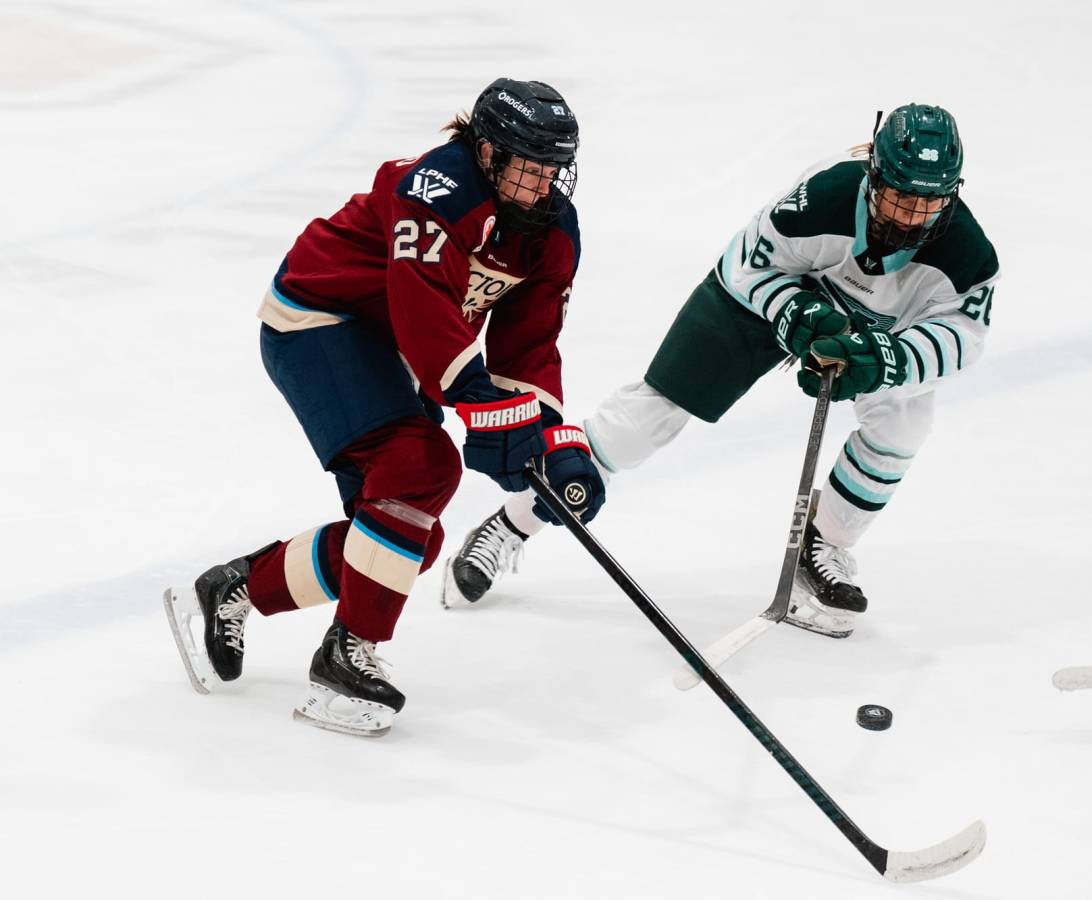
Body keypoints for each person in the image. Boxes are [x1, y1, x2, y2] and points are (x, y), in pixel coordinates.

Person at [444, 103, 998, 639]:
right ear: (874, 177)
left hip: (876, 335)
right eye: (899, 198)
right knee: (644, 421)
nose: (910, 217)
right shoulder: (824, 197)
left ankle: (823, 546)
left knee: (903, 426)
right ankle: (510, 523)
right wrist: (791, 309)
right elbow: (745, 265)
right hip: (767, 304)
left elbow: (962, 337)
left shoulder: (968, 254)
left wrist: (886, 360)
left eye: (927, 204)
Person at [163, 77, 606, 738]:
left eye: (552, 171)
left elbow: (530, 345)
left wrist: (554, 437)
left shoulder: (549, 231)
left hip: (394, 349)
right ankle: (346, 655)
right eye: (529, 169)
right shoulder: (439, 188)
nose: (542, 186)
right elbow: (424, 308)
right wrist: (481, 405)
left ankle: (236, 587)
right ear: (486, 151)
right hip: (320, 319)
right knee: (421, 469)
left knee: (403, 543)